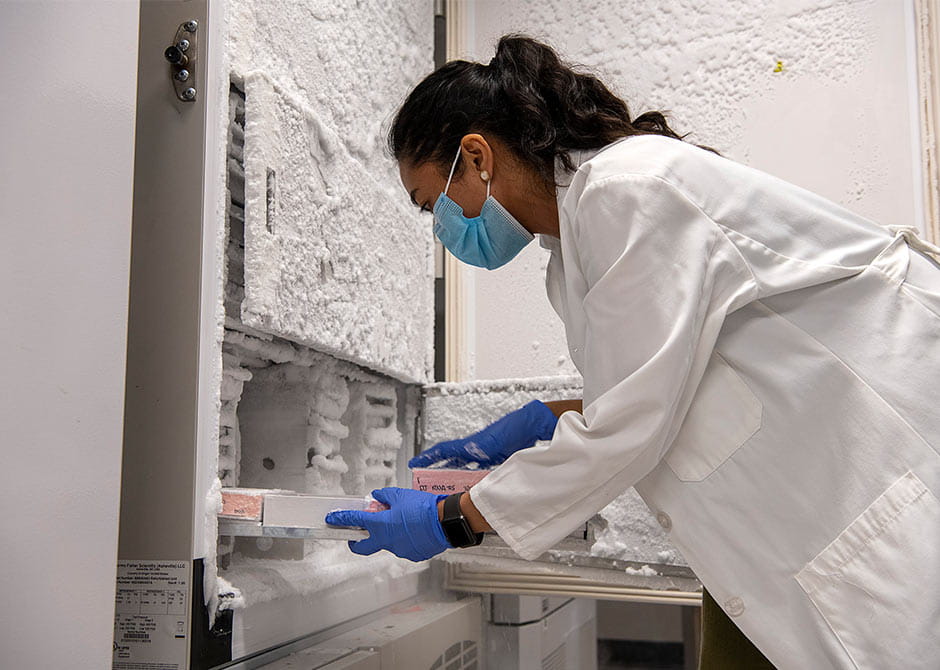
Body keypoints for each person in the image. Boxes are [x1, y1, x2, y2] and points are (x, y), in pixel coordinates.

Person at [326, 35, 940, 669]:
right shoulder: (572, 252)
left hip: (874, 479)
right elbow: (659, 383)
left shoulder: (627, 191)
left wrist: (452, 518)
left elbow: (629, 427)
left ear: (476, 156)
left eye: (435, 205)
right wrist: (546, 420)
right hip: (791, 519)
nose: (443, 231)